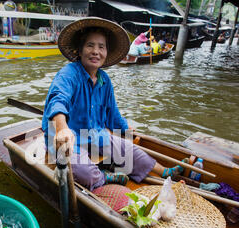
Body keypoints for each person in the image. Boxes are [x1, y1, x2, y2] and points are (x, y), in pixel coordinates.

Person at [42, 18, 187, 191]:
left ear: (106, 52)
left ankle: (164, 172)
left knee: (131, 150)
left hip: (93, 135)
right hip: (65, 139)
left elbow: (113, 114)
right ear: (80, 50)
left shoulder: (104, 80)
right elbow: (57, 100)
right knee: (83, 172)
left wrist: (126, 128)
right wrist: (61, 128)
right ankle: (102, 177)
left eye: (101, 47)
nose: (96, 51)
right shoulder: (68, 74)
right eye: (90, 45)